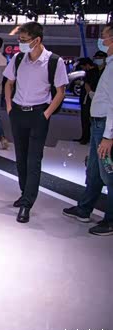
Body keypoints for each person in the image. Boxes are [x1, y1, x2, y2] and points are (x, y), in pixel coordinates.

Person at [4, 22, 68, 224]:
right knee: (21, 158)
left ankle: (27, 203)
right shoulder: (18, 58)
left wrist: (46, 114)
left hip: (38, 114)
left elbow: (60, 92)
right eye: (19, 39)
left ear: (37, 40)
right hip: (18, 113)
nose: (20, 43)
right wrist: (9, 106)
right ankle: (24, 193)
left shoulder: (54, 61)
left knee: (34, 160)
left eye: (24, 40)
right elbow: (9, 83)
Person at [63, 24, 113, 236]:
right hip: (98, 124)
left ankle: (110, 221)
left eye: (104, 36)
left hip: (106, 127)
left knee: (109, 175)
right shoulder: (109, 64)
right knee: (93, 171)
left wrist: (109, 136)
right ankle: (84, 209)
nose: (101, 40)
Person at [73, 58, 99, 145]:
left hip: (88, 99)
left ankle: (86, 138)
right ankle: (84, 137)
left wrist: (82, 83)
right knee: (84, 120)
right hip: (85, 99)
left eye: (83, 67)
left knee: (86, 120)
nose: (83, 69)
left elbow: (90, 85)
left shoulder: (94, 72)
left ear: (87, 65)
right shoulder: (89, 72)